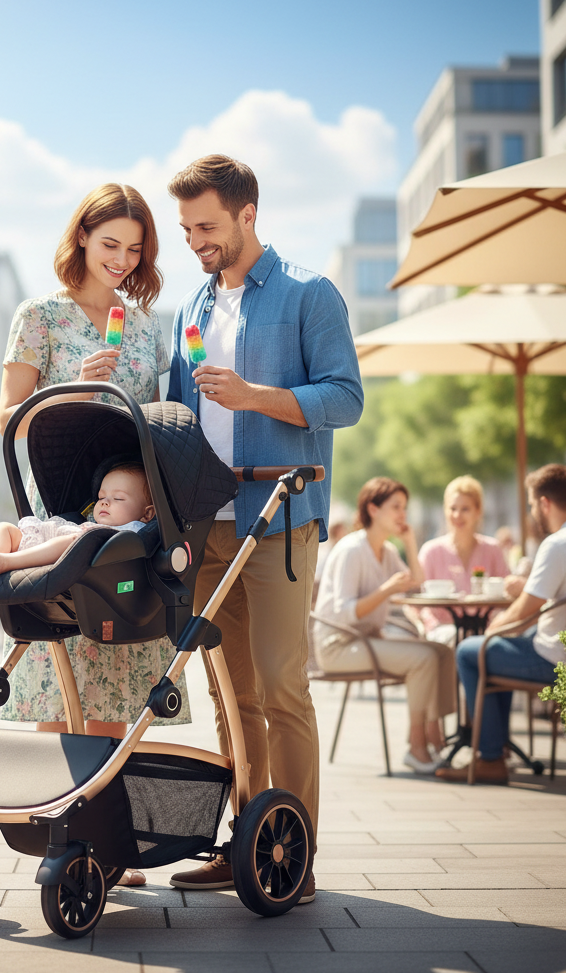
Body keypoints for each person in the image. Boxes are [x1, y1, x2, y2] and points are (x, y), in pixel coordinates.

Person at [164, 155, 364, 897]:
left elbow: (345, 398)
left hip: (280, 519)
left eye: (207, 226)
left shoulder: (310, 294)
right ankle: (248, 842)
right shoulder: (191, 306)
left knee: (281, 687)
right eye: (187, 229)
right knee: (231, 692)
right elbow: (186, 414)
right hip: (208, 523)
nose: (196, 241)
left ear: (249, 214)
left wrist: (256, 396)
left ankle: (294, 854)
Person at [0, 182, 183, 887]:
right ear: (81, 238)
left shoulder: (145, 327)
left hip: (136, 522)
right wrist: (69, 388)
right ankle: (67, 834)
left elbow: (160, 422)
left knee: (120, 680)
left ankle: (110, 840)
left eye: (134, 250)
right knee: (67, 681)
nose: (121, 259)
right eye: (110, 244)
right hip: (66, 516)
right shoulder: (39, 316)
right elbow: (8, 418)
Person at [436, 464, 566, 784]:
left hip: (556, 660)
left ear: (545, 503)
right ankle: (497, 745)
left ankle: (491, 758)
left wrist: (493, 631)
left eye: (533, 505)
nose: (534, 511)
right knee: (495, 651)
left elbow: (523, 610)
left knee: (471, 651)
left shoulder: (558, 543)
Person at [315, 478, 456, 775]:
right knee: (424, 658)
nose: (402, 514)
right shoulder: (352, 550)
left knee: (441, 652)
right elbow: (343, 612)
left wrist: (409, 541)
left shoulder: (388, 552)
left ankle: (433, 734)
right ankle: (419, 746)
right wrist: (387, 590)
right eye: (396, 507)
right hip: (339, 646)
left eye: (404, 508)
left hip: (368, 640)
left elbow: (416, 582)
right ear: (373, 509)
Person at [0, 462, 155, 575]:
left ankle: (5, 562)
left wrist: (87, 537)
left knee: (76, 540)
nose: (105, 503)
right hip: (44, 544)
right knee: (4, 528)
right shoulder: (87, 523)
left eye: (118, 498)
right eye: (101, 497)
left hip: (68, 554)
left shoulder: (134, 533)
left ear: (147, 514)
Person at [418, 476, 510, 643]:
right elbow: (415, 600)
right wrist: (425, 626)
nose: (457, 515)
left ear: (478, 511)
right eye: (452, 508)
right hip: (442, 632)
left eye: (465, 509)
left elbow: (507, 591)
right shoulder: (431, 551)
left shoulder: (493, 550)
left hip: (487, 630)